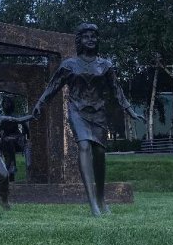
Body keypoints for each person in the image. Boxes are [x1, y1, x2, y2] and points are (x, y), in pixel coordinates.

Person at [32, 23, 145, 216]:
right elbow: (53, 87)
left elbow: (116, 90)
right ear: (79, 40)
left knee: (99, 153)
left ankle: (101, 198)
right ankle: (92, 203)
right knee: (84, 146)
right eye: (86, 36)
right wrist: (40, 104)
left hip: (99, 112)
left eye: (94, 36)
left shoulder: (106, 65)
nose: (91, 39)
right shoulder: (69, 65)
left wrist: (129, 110)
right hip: (77, 111)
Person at [0, 97, 30, 182]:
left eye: (8, 102)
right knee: (5, 141)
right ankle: (9, 171)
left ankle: (12, 166)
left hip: (16, 138)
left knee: (9, 140)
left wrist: (27, 137)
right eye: (4, 102)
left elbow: (25, 126)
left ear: (11, 105)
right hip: (6, 139)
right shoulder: (1, 118)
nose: (6, 104)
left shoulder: (15, 116)